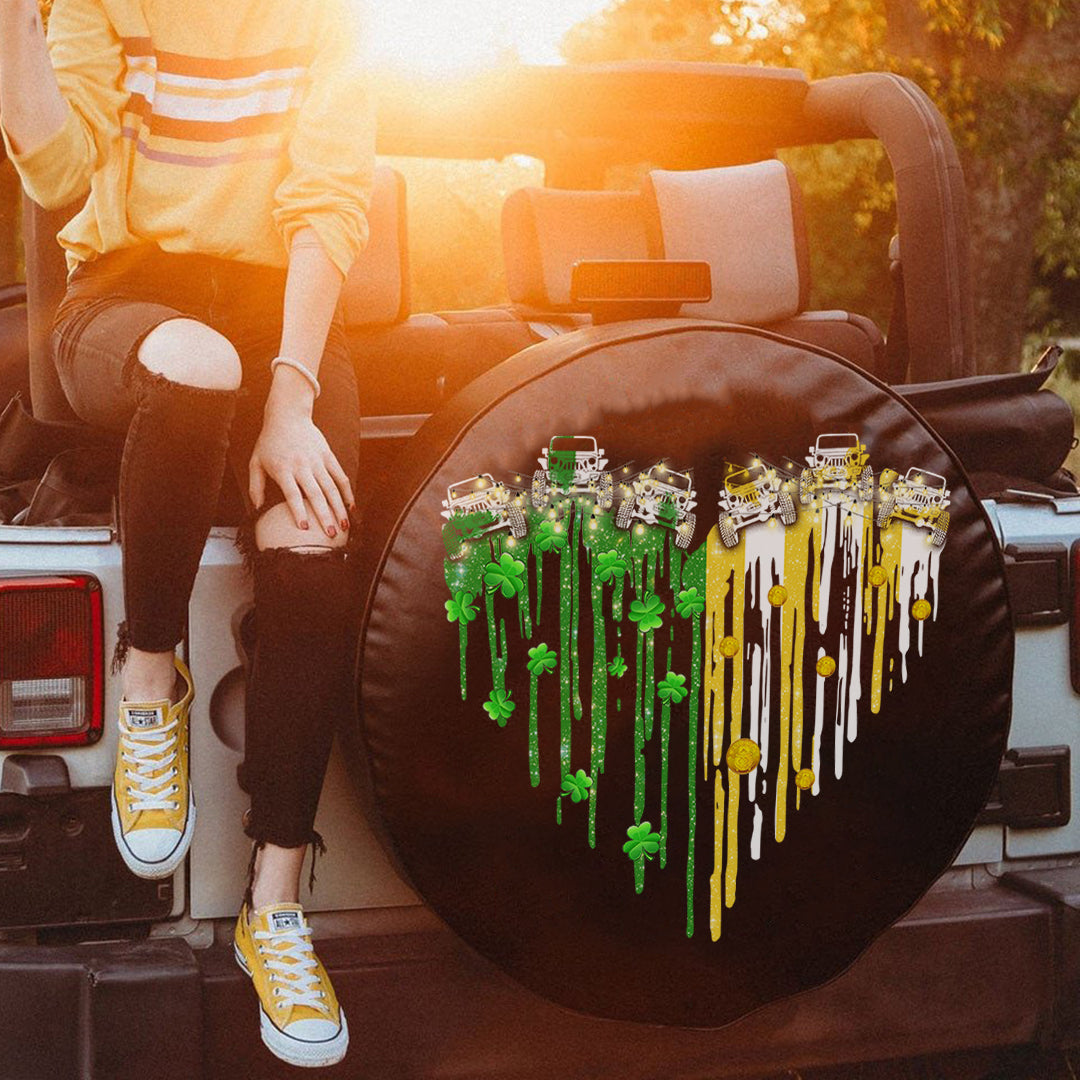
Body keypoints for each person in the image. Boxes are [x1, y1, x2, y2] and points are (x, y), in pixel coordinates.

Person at [0, 0, 374, 1067]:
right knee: (200, 364)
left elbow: (327, 202)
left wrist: (294, 396)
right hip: (126, 297)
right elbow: (60, 174)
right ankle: (150, 677)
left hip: (284, 318)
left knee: (309, 549)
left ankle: (274, 906)